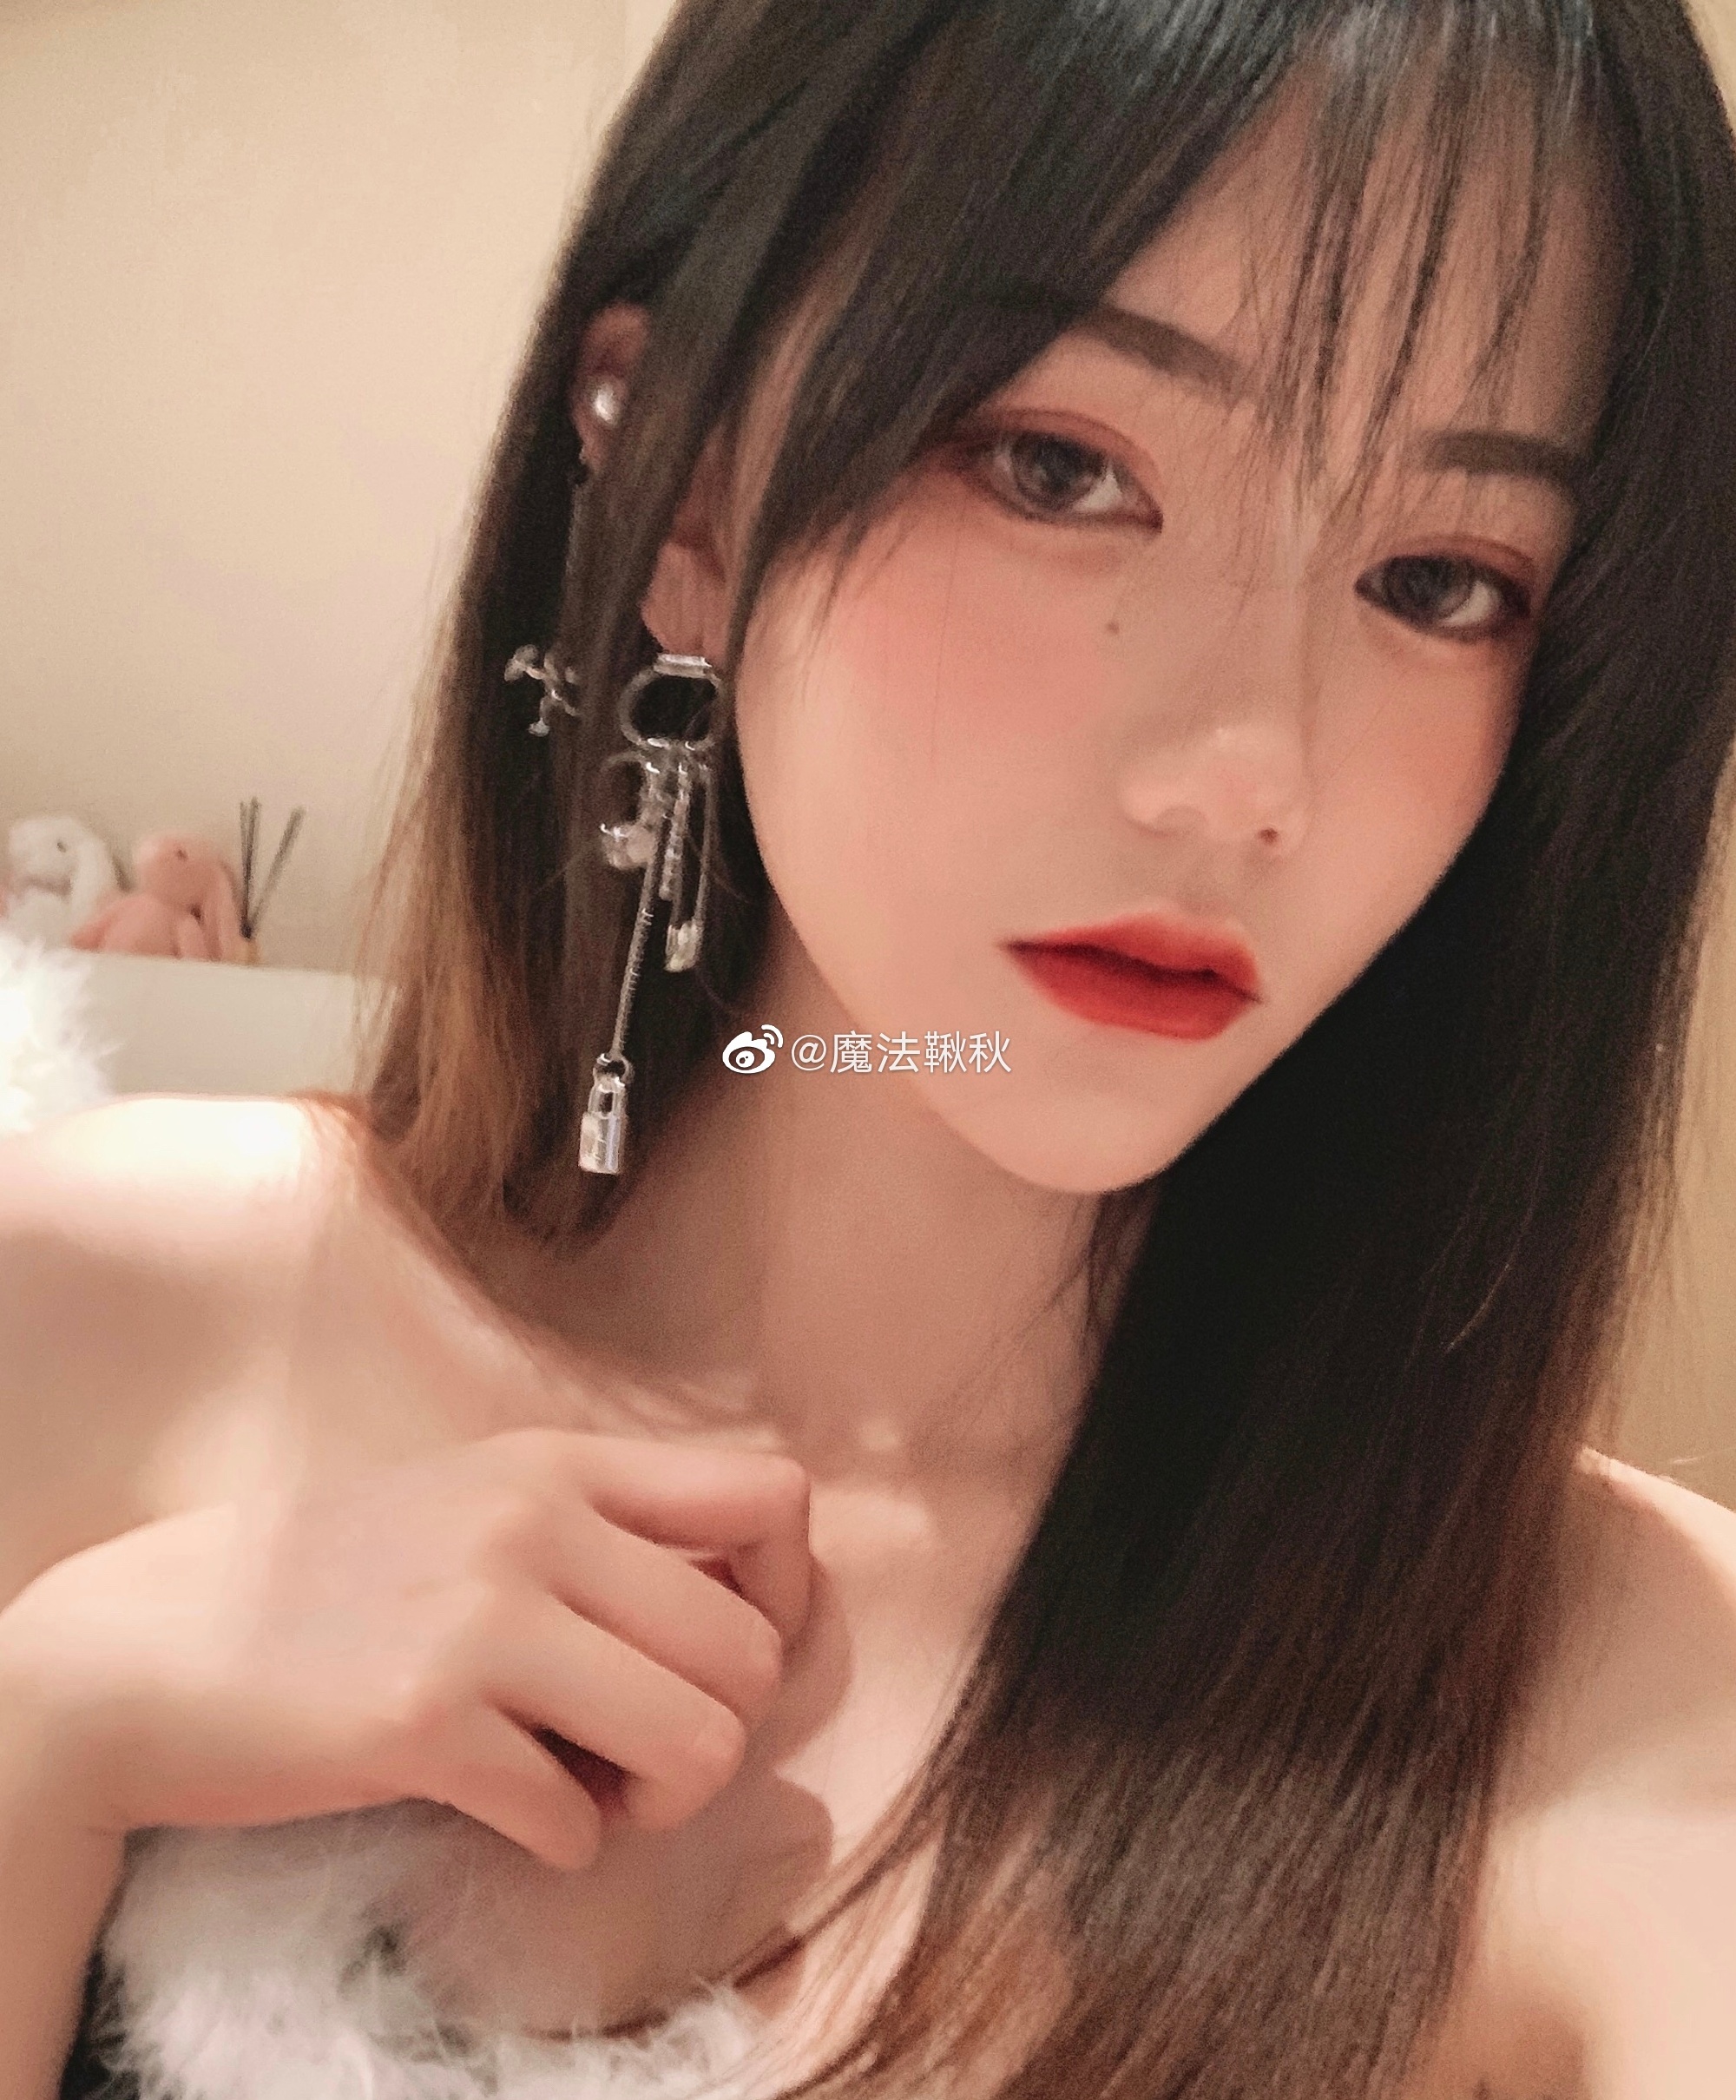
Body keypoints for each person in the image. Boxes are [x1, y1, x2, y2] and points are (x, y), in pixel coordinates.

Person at [4, 0, 1736, 2094]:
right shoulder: (96, 1304)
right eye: (1060, 470)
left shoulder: (1639, 1703)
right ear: (687, 490)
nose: (1245, 773)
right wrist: (43, 1746)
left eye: (1440, 579)